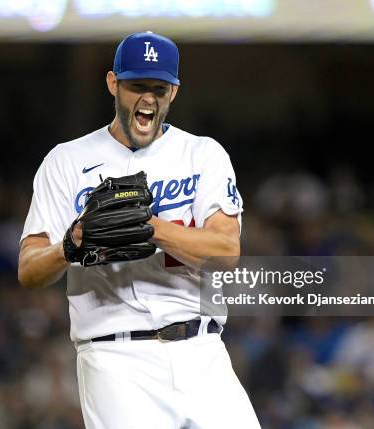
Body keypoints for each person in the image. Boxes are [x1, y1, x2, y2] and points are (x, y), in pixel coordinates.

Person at [18, 31, 261, 429]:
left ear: (174, 91)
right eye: (136, 86)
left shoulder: (202, 154)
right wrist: (70, 244)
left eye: (158, 88)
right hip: (115, 359)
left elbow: (225, 252)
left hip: (201, 352)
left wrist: (149, 227)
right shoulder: (65, 161)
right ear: (113, 83)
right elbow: (28, 269)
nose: (148, 98)